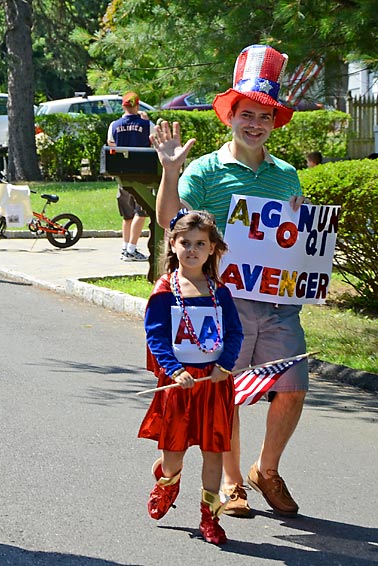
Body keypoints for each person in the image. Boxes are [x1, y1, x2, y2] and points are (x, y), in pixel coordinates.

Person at [152, 44, 308, 518]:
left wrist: (302, 227)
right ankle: (233, 484)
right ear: (230, 116)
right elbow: (168, 223)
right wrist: (170, 170)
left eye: (264, 115)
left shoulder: (286, 175)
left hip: (277, 301)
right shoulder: (203, 171)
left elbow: (296, 244)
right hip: (223, 303)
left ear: (274, 121)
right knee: (228, 390)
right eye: (247, 113)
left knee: (295, 385)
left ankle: (267, 469)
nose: (255, 123)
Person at [139, 209, 243, 545]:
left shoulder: (220, 291)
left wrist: (224, 365)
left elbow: (234, 333)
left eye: (200, 243)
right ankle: (167, 480)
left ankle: (209, 517)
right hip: (179, 384)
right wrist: (175, 370)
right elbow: (155, 336)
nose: (192, 249)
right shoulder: (166, 288)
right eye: (186, 242)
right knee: (175, 451)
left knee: (214, 451)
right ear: (173, 244)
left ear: (213, 248)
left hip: (214, 383)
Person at [108, 91, 151, 262]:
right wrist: (146, 122)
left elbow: (111, 144)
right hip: (142, 174)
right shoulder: (147, 124)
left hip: (122, 174)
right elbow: (154, 141)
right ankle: (131, 249)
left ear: (123, 106)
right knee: (141, 212)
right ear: (137, 105)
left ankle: (125, 248)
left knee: (127, 214)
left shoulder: (114, 125)